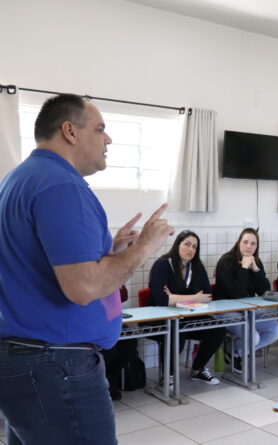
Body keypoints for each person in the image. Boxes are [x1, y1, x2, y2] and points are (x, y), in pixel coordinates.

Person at [0, 94, 173, 444]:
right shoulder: (61, 186)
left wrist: (110, 251)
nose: (108, 139)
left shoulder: (19, 179)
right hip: (54, 365)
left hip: (27, 358)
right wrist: (144, 248)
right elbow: (84, 288)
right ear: (70, 131)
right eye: (100, 129)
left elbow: (39, 265)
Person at [148, 230, 225, 385]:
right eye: (187, 244)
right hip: (158, 317)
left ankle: (197, 370)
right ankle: (167, 376)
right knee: (176, 332)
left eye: (195, 247)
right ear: (178, 244)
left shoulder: (196, 266)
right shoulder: (163, 264)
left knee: (218, 329)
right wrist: (194, 297)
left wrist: (175, 298)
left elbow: (208, 296)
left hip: (187, 316)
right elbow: (161, 299)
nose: (191, 249)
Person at [214, 228, 278, 372]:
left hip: (249, 309)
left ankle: (235, 352)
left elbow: (264, 291)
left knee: (276, 329)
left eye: (253, 243)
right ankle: (237, 351)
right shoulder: (226, 261)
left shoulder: (254, 261)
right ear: (239, 242)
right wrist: (244, 267)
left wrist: (256, 269)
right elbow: (235, 293)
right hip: (227, 310)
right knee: (254, 337)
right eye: (245, 242)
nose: (249, 246)